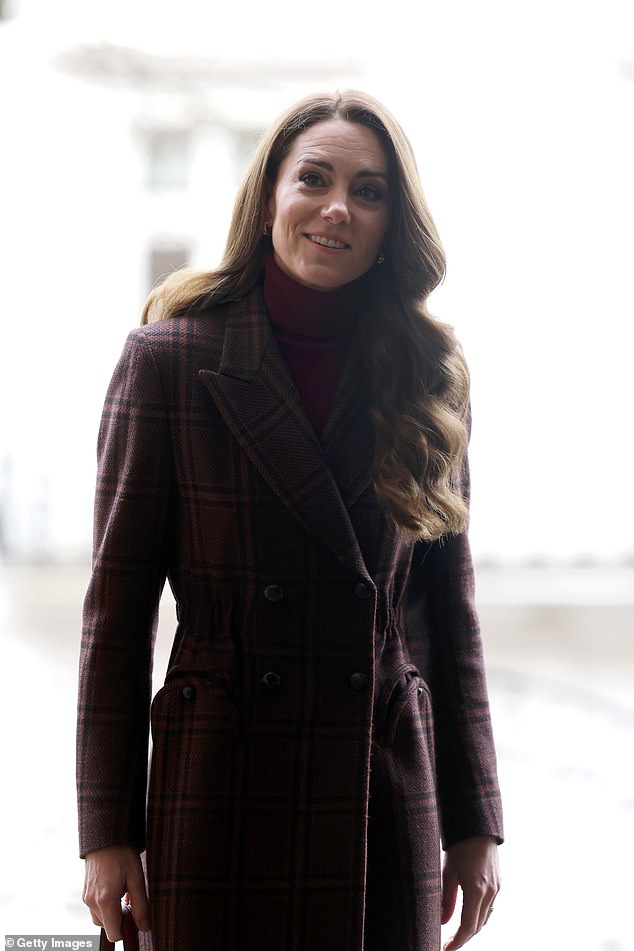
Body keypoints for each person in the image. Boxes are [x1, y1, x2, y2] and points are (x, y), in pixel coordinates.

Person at [78, 89, 503, 951]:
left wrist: (477, 818)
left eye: (369, 190)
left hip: (384, 784)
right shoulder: (169, 363)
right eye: (313, 177)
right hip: (222, 778)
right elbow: (115, 619)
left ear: (393, 223)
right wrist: (106, 832)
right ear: (270, 193)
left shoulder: (428, 375)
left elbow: (447, 616)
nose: (336, 207)